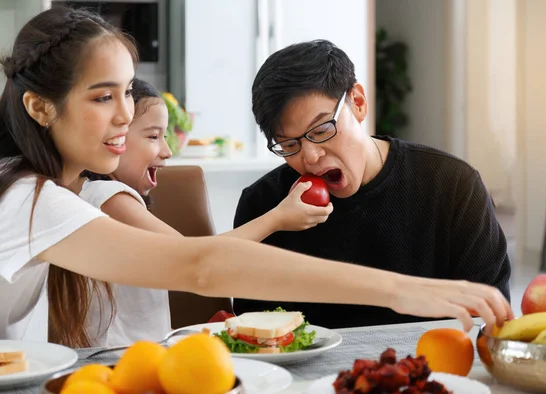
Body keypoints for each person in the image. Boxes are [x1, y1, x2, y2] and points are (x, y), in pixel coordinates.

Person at [0, 6, 511, 348]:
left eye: (128, 92)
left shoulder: (44, 191)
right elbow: (200, 265)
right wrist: (400, 291)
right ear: (40, 108)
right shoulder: (31, 200)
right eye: (101, 96)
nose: (123, 115)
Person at [233, 40, 513, 328]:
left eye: (321, 129)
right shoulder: (264, 205)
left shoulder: (453, 185)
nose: (311, 156)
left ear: (358, 103)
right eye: (289, 144)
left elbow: (489, 319)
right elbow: (254, 334)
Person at [73, 78, 334, 347]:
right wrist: (277, 218)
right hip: (117, 361)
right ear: (113, 138)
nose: (167, 151)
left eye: (165, 136)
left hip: (137, 352)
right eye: (153, 136)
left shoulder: (101, 196)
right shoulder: (108, 198)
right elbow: (194, 256)